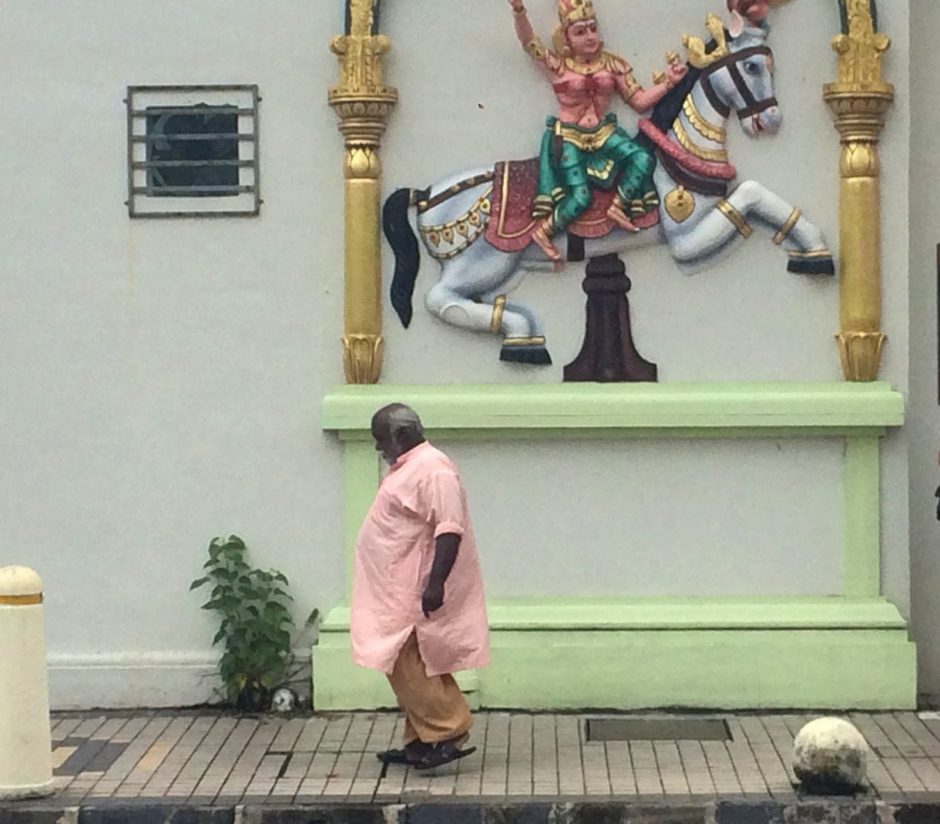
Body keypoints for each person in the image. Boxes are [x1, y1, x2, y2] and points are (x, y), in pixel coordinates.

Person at [350, 403, 489, 770]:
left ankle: (448, 729)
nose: (379, 448)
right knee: (407, 663)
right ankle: (420, 740)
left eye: (382, 439)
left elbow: (449, 528)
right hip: (394, 586)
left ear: (402, 435)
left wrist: (435, 584)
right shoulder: (411, 467)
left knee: (407, 661)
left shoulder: (434, 470)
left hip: (415, 586)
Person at [508, 0, 688, 262]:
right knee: (580, 198)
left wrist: (668, 83)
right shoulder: (559, 67)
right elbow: (529, 43)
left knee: (643, 158)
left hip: (603, 134)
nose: (590, 36)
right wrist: (519, 11)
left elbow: (639, 102)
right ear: (566, 38)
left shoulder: (613, 66)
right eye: (580, 31)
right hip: (569, 137)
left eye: (592, 28)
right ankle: (545, 232)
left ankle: (618, 207)